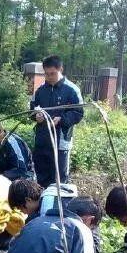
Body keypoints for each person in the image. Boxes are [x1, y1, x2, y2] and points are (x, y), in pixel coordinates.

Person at [30, 55, 84, 187]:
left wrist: (62, 119)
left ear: (61, 69)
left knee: (59, 178)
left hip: (61, 141)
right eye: (46, 74)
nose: (49, 77)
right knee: (41, 176)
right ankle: (42, 203)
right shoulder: (40, 90)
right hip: (42, 140)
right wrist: (36, 116)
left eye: (52, 74)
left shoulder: (72, 90)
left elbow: (78, 113)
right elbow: (32, 109)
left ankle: (58, 205)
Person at [8, 178, 78, 222]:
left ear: (28, 200)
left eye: (20, 209)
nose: (24, 213)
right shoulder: (50, 190)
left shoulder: (48, 208)